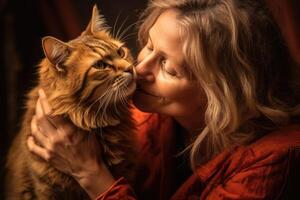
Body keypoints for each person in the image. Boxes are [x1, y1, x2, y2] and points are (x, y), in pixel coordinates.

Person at [27, 0, 300, 199]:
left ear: (224, 91)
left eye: (168, 68)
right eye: (147, 45)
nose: (138, 69)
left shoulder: (273, 164)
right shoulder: (146, 112)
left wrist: (91, 174)